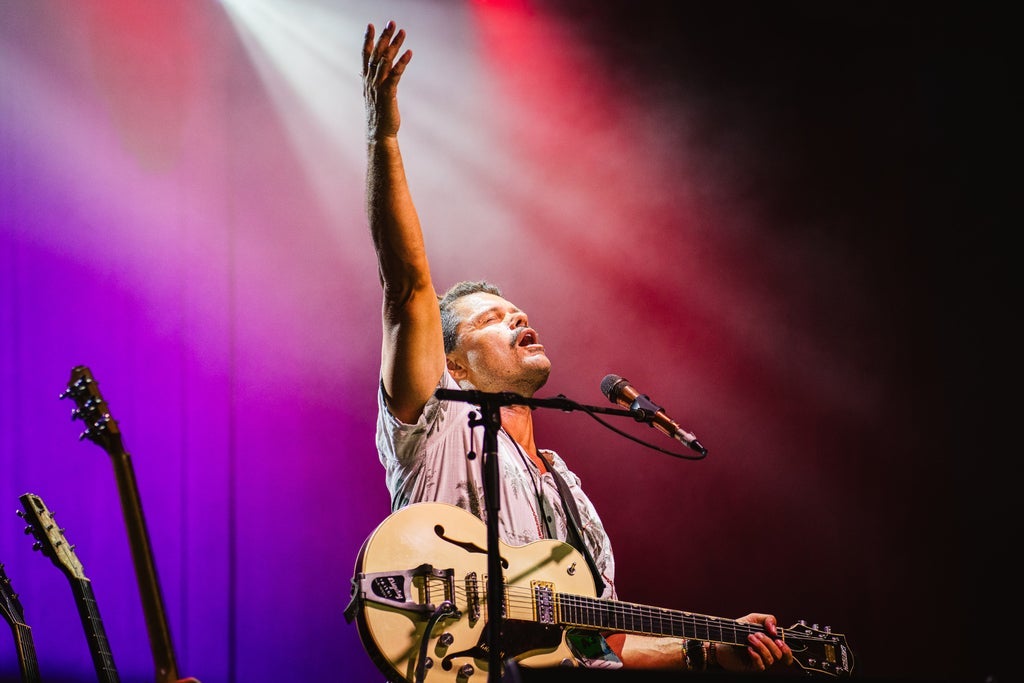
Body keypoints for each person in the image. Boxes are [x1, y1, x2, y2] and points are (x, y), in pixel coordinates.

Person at [362, 19, 796, 675]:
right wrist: (383, 138)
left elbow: (607, 641)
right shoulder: (437, 419)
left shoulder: (569, 494)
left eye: (518, 310)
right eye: (492, 319)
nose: (518, 318)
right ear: (450, 360)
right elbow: (408, 286)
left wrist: (709, 641)